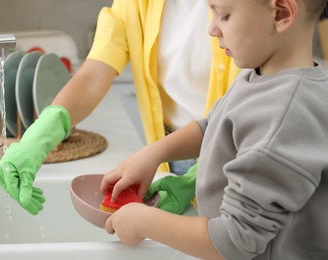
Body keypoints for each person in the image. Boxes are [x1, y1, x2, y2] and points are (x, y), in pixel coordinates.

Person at [101, 0, 328, 259]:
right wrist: (153, 153)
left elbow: (234, 240)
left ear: (281, 13)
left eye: (224, 15)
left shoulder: (283, 114)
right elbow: (214, 125)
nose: (212, 29)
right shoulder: (261, 76)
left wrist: (144, 222)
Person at [0, 0, 240, 215]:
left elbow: (263, 108)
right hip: (167, 159)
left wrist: (197, 177)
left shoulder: (252, 8)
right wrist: (38, 137)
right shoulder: (135, 3)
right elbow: (93, 75)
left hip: (236, 158)